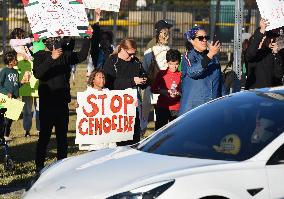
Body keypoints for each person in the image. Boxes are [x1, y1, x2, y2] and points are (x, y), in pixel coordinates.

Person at [33, 33, 92, 172]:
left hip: (62, 103)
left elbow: (81, 56)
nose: (56, 42)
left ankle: (61, 166)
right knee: (44, 137)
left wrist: (87, 38)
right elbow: (38, 74)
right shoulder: (40, 55)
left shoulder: (65, 55)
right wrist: (52, 58)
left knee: (62, 138)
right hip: (47, 104)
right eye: (52, 40)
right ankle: (39, 165)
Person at [103, 38, 147, 145]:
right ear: (122, 49)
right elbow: (110, 83)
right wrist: (132, 81)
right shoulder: (112, 61)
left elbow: (143, 74)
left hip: (133, 104)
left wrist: (144, 79)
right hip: (117, 105)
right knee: (120, 138)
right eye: (130, 54)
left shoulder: (136, 61)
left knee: (134, 136)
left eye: (134, 53)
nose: (132, 56)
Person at [179, 26, 225, 115]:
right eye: (200, 38)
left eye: (206, 37)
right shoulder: (188, 56)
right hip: (192, 111)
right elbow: (193, 72)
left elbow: (220, 84)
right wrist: (210, 54)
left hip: (211, 109)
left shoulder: (214, 59)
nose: (204, 40)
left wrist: (224, 103)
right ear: (192, 41)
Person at [142, 20, 173, 131]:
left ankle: (142, 129)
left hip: (150, 86)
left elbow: (144, 70)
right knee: (160, 114)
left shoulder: (148, 52)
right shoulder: (169, 52)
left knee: (145, 110)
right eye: (167, 30)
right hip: (164, 88)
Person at [10, 28, 40, 137]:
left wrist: (35, 44)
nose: (21, 38)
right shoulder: (14, 43)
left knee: (39, 108)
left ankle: (39, 130)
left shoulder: (27, 45)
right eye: (19, 36)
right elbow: (22, 42)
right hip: (25, 80)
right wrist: (32, 38)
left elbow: (35, 52)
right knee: (27, 109)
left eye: (22, 36)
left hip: (35, 78)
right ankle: (27, 130)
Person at [78, 68, 116, 150]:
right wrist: (78, 106)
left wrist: (131, 104)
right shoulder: (86, 95)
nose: (102, 80)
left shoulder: (109, 94)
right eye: (99, 77)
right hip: (94, 140)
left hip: (108, 136)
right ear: (93, 80)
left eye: (103, 77)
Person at [245, 19, 284, 89]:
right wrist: (262, 30)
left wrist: (275, 54)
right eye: (269, 38)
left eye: (273, 39)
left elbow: (279, 74)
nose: (272, 41)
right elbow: (250, 54)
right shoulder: (253, 53)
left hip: (272, 94)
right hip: (255, 93)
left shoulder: (274, 54)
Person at [0, 51, 29, 141]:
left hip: (14, 98)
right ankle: (2, 135)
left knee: (10, 119)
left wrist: (22, 83)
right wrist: (6, 92)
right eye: (15, 59)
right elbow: (0, 84)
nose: (16, 61)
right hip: (5, 99)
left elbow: (16, 85)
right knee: (4, 119)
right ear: (10, 62)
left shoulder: (16, 71)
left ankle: (6, 135)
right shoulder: (4, 71)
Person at [151, 49, 181, 130]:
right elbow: (153, 89)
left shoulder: (181, 75)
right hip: (162, 107)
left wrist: (178, 93)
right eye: (171, 64)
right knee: (159, 131)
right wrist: (164, 91)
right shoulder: (161, 74)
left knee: (175, 132)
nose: (174, 67)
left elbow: (184, 92)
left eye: (176, 64)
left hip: (176, 108)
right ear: (167, 62)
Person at [87, 9, 114, 77]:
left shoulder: (114, 52)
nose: (104, 41)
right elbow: (95, 40)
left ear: (110, 40)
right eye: (102, 39)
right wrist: (97, 20)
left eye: (106, 39)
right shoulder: (96, 51)